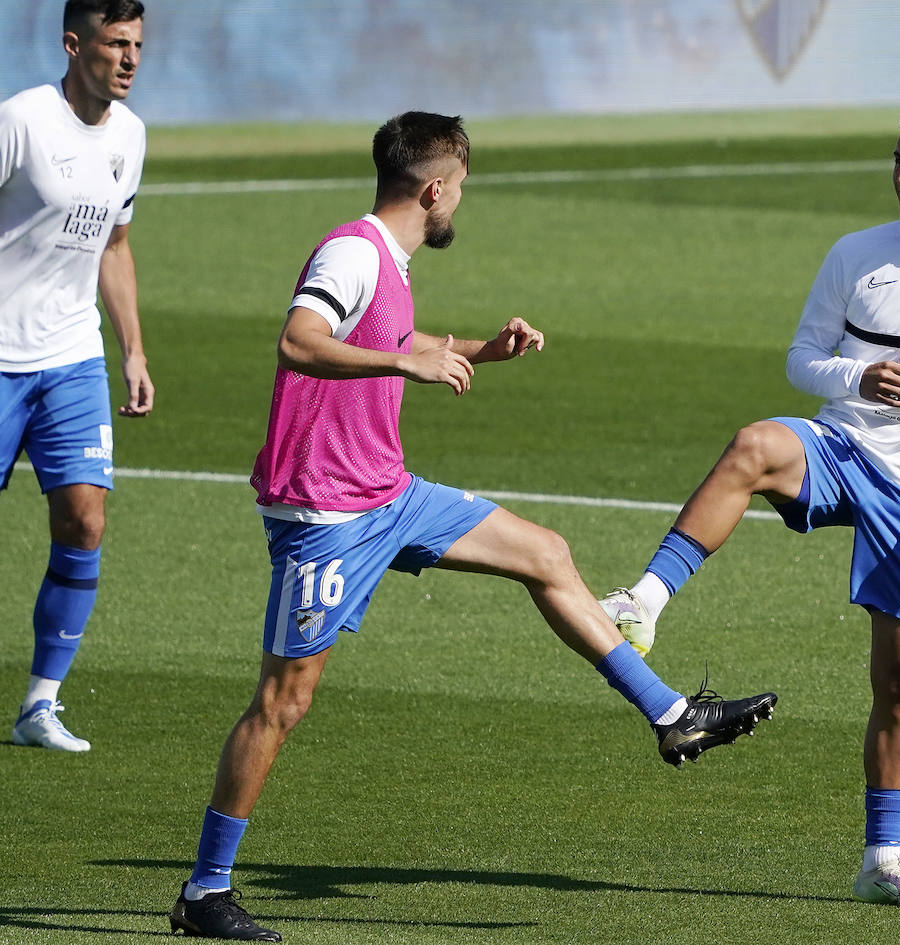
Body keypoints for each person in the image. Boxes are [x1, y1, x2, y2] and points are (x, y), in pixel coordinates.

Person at [168, 111, 776, 942]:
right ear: (434, 187)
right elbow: (300, 341)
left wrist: (477, 350)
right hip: (327, 512)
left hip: (387, 491)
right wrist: (403, 363)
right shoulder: (352, 250)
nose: (461, 200)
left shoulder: (389, 261)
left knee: (545, 552)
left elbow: (384, 333)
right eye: (460, 185)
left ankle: (671, 716)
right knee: (283, 700)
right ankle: (205, 891)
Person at [600, 104, 900, 909]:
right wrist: (856, 379)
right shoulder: (857, 256)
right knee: (755, 443)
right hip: (843, 450)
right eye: (898, 160)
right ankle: (644, 601)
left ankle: (882, 859)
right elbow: (802, 359)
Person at [1, 0, 153, 753]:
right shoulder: (20, 121)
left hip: (71, 357)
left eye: (136, 45)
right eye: (115, 44)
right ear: (72, 44)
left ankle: (40, 703)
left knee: (86, 518)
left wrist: (132, 349)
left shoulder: (131, 135)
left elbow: (116, 246)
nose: (129, 58)